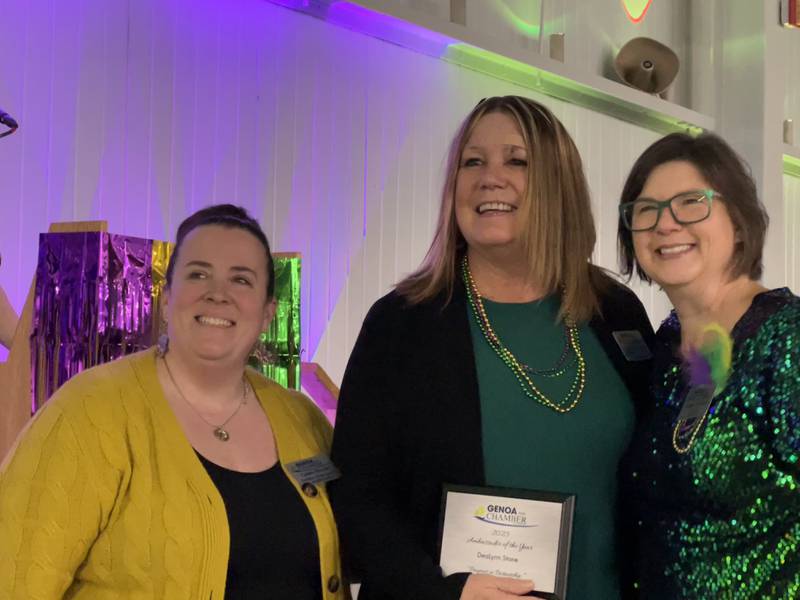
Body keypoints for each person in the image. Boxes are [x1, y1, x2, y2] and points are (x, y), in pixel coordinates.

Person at [329, 95, 655, 600]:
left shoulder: (616, 312)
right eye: (472, 161)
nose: (489, 177)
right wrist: (447, 593)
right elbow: (355, 499)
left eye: (516, 161)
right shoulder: (400, 324)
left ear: (558, 184)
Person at [0, 204, 345, 599]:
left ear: (268, 313)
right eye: (198, 274)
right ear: (166, 299)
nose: (218, 294)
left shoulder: (302, 419)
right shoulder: (89, 412)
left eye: (241, 280)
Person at [616, 132, 800, 598]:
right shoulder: (662, 347)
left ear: (738, 221)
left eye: (690, 202)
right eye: (647, 210)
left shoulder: (787, 339)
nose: (666, 224)